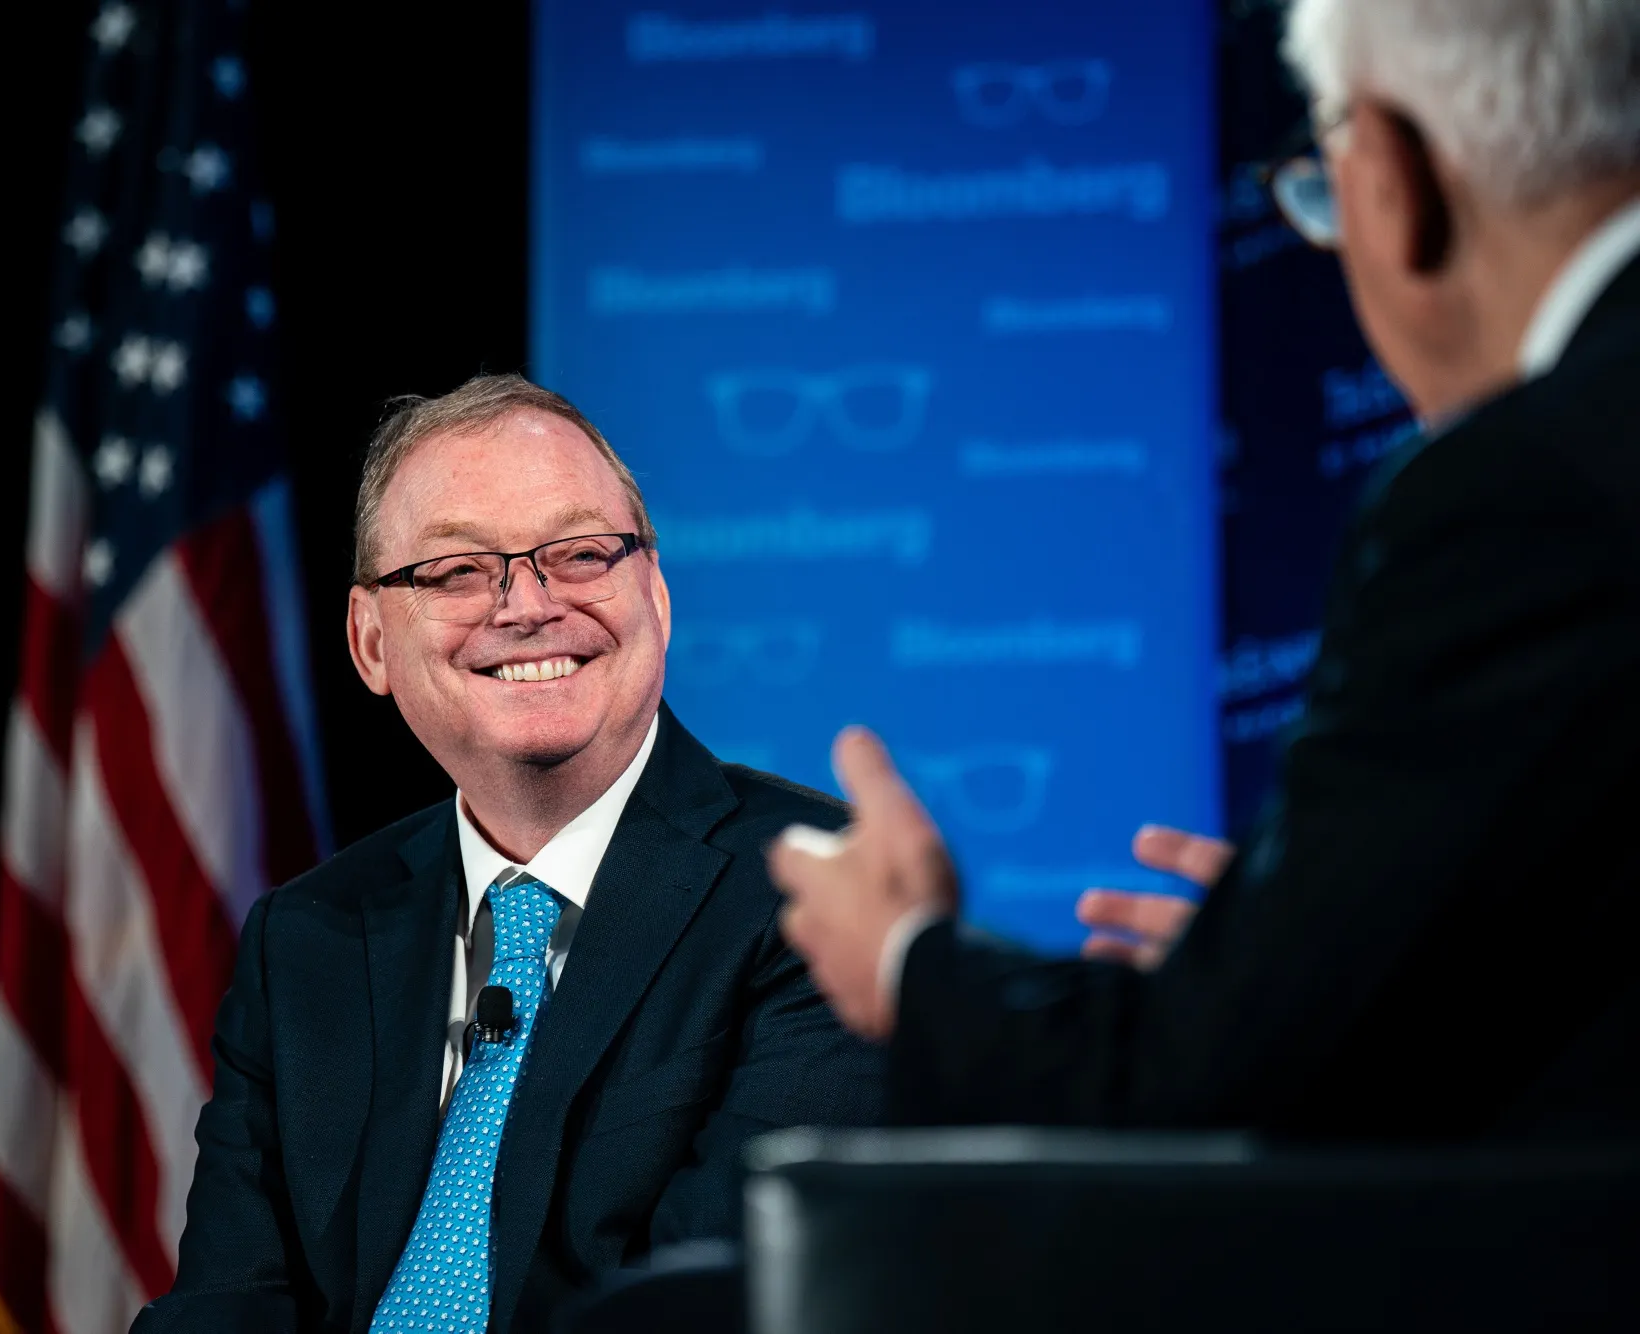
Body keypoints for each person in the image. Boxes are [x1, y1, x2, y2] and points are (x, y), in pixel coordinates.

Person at [770, 0, 1640, 1137]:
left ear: (1388, 177)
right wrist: (1316, 946)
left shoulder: (1513, 494)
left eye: (1322, 190)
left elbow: (1204, 1080)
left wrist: (906, 962)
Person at [133, 375, 881, 1333]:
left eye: (579, 555)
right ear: (369, 642)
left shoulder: (817, 892)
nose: (528, 604)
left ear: (654, 594)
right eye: (455, 571)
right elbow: (225, 1308)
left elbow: (719, 1310)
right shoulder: (306, 936)